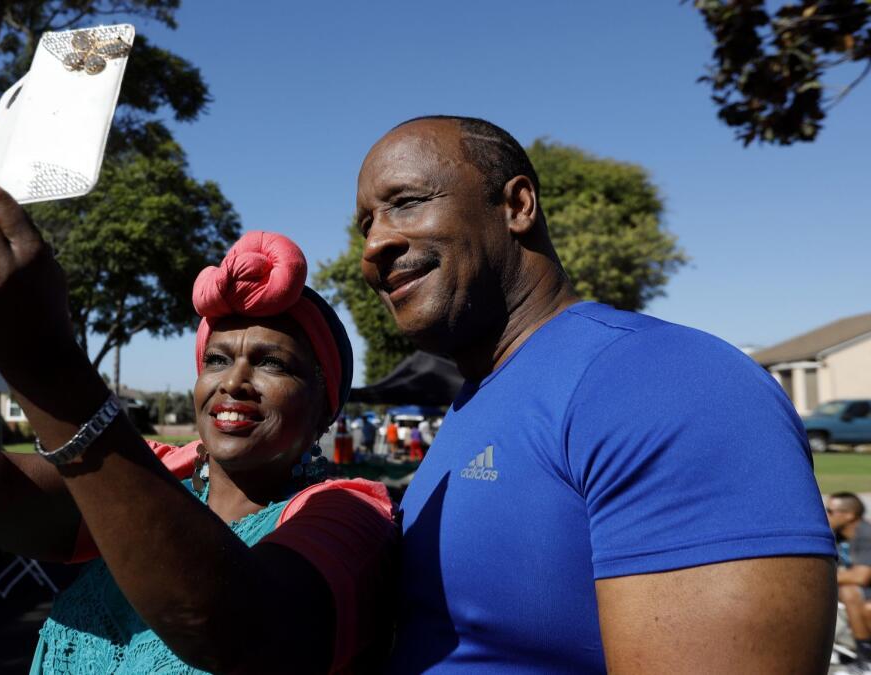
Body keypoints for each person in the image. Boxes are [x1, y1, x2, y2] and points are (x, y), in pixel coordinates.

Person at [355, 115, 836, 671]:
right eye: (366, 222)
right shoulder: (476, 399)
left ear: (517, 206)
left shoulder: (662, 378)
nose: (374, 244)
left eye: (407, 203)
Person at [0, 217, 397, 673]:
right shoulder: (153, 471)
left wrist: (40, 356)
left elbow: (240, 636)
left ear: (325, 408)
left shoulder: (349, 513)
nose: (234, 382)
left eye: (272, 363)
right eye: (217, 360)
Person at [829, 492, 871, 666]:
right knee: (847, 591)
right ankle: (862, 655)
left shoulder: (866, 534)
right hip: (857, 591)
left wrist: (828, 576)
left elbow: (862, 576)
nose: (825, 515)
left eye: (830, 511)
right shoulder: (837, 534)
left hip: (866, 591)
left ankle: (866, 657)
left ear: (849, 515)